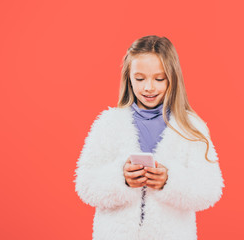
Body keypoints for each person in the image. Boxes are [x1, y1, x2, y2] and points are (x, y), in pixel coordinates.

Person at [73, 35, 224, 240]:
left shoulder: (190, 128)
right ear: (128, 78)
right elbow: (85, 185)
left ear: (172, 78)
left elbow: (210, 189)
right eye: (140, 78)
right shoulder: (109, 123)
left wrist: (169, 181)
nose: (149, 88)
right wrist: (121, 177)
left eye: (159, 79)